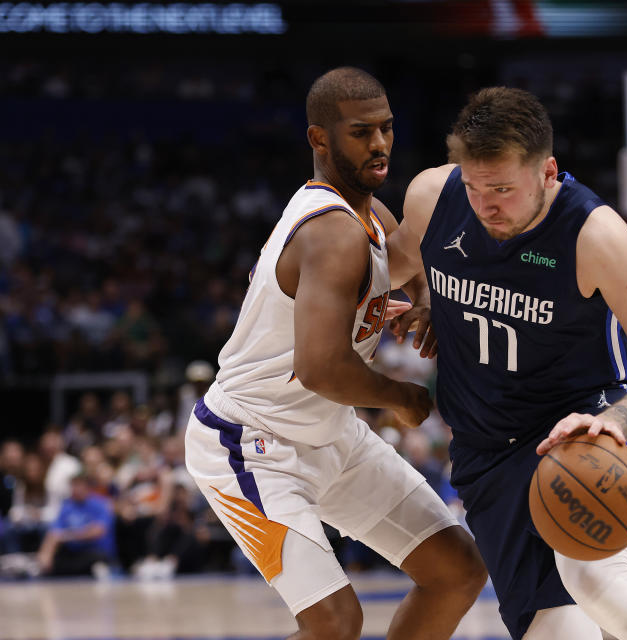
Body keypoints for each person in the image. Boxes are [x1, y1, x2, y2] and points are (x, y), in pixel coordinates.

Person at [388, 87, 627, 640]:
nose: (485, 205)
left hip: (574, 431)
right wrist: (421, 298)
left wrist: (617, 423)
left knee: (600, 583)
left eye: (503, 189)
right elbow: (390, 265)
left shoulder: (596, 236)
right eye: (474, 186)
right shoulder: (432, 198)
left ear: (548, 171)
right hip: (484, 451)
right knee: (559, 632)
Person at [184, 67, 485, 640]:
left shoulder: (369, 217)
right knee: (334, 623)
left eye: (386, 129)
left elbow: (403, 263)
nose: (378, 144)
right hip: (252, 441)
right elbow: (321, 369)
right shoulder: (329, 232)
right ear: (319, 139)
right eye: (360, 131)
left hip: (330, 433)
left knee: (457, 571)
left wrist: (422, 299)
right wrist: (402, 398)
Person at [36, 472, 115, 577]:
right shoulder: (67, 506)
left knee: (96, 560)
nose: (75, 489)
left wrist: (67, 536)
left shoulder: (100, 504)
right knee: (53, 565)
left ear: (88, 487)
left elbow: (97, 531)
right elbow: (54, 533)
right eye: (73, 485)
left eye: (78, 485)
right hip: (73, 553)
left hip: (94, 551)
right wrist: (45, 554)